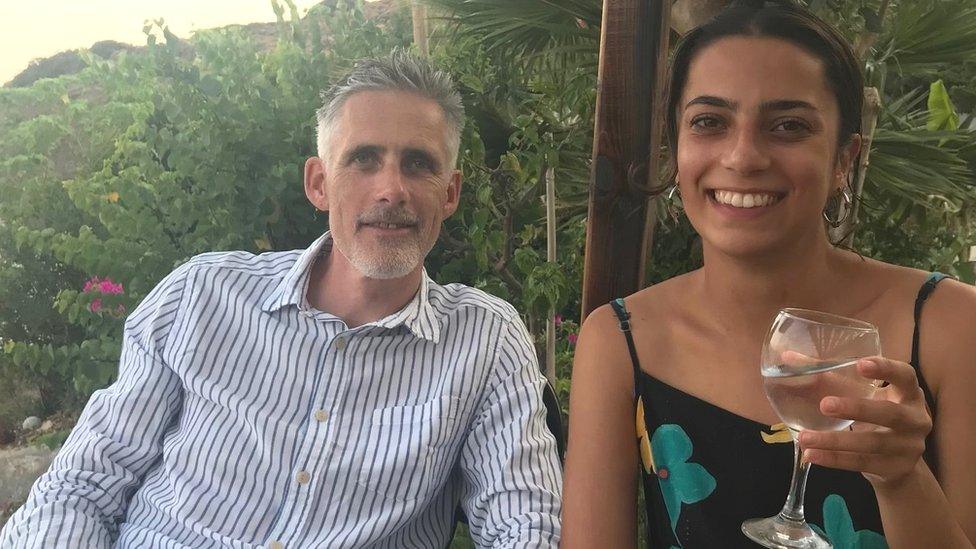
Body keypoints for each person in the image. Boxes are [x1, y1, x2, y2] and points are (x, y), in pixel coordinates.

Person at [1, 51, 562, 548]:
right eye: (364, 159)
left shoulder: (484, 341)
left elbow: (525, 525)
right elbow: (84, 484)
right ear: (318, 183)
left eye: (419, 163)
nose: (391, 189)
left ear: (450, 193)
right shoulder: (201, 297)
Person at [561, 2, 975, 547]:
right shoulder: (619, 340)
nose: (743, 155)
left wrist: (901, 481)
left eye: (788, 126)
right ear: (676, 149)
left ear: (844, 160)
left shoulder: (952, 326)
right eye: (709, 122)